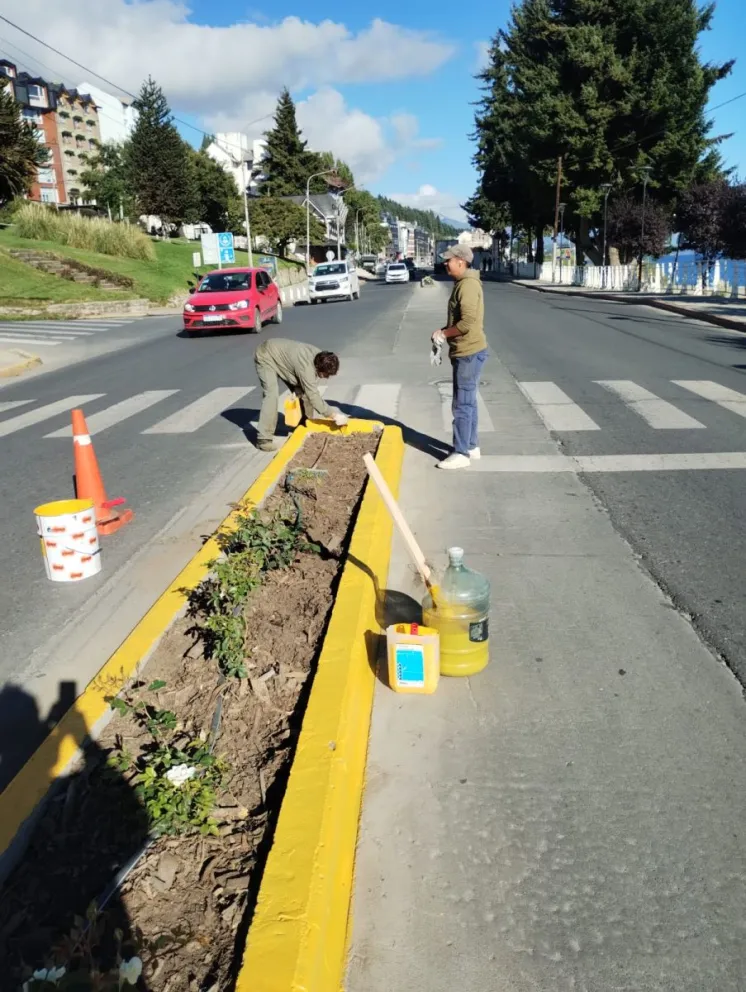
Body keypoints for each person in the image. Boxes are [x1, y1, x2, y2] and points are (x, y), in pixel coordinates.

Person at [431, 244, 488, 470]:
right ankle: (471, 446)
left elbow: (466, 323)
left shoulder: (467, 286)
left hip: (468, 352)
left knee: (462, 405)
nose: (445, 263)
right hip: (467, 351)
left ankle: (461, 452)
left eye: (449, 260)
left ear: (461, 262)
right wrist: (442, 332)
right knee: (469, 402)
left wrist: (444, 333)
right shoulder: (464, 284)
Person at [253, 338, 348, 451]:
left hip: (285, 359)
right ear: (318, 368)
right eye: (325, 375)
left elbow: (309, 388)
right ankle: (263, 439)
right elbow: (313, 396)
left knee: (305, 393)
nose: (326, 377)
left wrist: (299, 387)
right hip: (266, 355)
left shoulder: (321, 358)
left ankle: (305, 424)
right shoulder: (307, 368)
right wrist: (334, 415)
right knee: (271, 395)